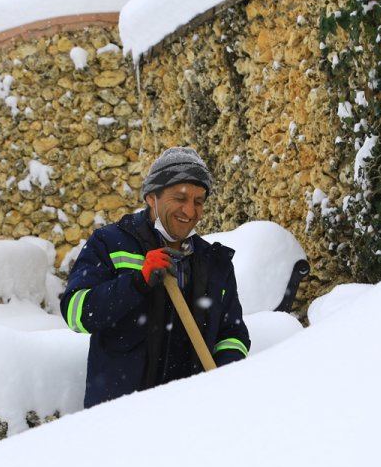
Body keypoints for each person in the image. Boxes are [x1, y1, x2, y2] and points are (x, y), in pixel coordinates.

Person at [61, 146, 250, 408]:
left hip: (189, 413)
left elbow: (233, 333)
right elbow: (76, 314)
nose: (190, 211)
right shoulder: (109, 243)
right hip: (120, 415)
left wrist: (224, 373)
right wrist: (136, 283)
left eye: (198, 201)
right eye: (180, 198)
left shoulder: (214, 263)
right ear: (151, 197)